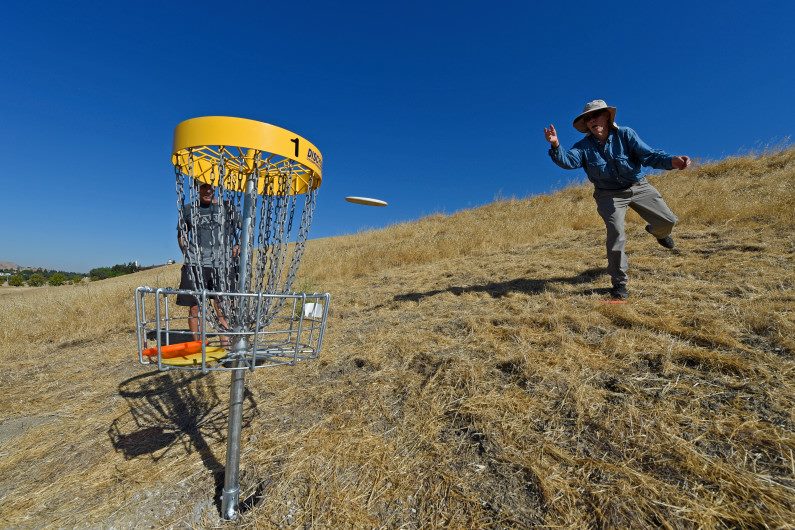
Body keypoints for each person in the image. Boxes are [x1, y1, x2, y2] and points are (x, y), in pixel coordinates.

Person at [544, 99, 690, 300]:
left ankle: (658, 232)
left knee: (668, 221)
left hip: (638, 186)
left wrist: (672, 161)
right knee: (616, 232)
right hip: (608, 194)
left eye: (596, 115)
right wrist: (556, 145)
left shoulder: (625, 134)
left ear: (607, 117)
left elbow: (649, 156)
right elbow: (569, 161)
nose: (592, 120)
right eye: (588, 118)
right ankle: (619, 285)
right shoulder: (583, 147)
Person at [176, 181, 240, 341]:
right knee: (194, 307)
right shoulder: (189, 209)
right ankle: (197, 345)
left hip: (222, 264)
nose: (208, 190)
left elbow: (243, 228)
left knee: (222, 305)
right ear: (197, 188)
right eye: (203, 186)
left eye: (211, 186)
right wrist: (187, 253)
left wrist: (237, 246)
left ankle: (225, 345)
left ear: (216, 187)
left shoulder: (227, 207)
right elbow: (181, 234)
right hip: (195, 265)